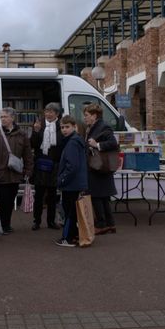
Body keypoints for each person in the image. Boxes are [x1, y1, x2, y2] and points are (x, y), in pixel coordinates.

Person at [0, 107, 34, 234]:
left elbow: (27, 154)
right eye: (1, 117)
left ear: (12, 118)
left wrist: (28, 171)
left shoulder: (22, 134)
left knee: (11, 200)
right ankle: (2, 225)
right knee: (2, 201)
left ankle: (7, 224)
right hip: (0, 174)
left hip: (16, 174)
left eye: (5, 117)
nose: (2, 119)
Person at [83, 103, 119, 235]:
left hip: (99, 167)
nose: (84, 118)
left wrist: (97, 144)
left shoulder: (103, 126)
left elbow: (113, 143)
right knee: (103, 197)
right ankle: (110, 224)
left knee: (97, 196)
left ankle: (102, 224)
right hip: (98, 167)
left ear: (94, 115)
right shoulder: (93, 127)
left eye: (86, 115)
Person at [30, 102, 65, 230]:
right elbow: (33, 144)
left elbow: (63, 144)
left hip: (55, 165)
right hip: (41, 164)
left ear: (57, 114)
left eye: (51, 112)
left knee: (52, 196)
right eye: (46, 111)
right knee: (38, 196)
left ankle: (51, 221)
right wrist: (35, 131)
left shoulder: (61, 126)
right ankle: (36, 221)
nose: (48, 114)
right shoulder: (40, 124)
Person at [55, 116, 88, 247]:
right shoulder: (75, 141)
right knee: (73, 212)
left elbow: (72, 166)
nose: (64, 130)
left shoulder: (72, 142)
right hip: (76, 183)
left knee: (69, 213)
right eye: (62, 127)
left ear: (74, 127)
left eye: (67, 127)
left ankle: (67, 238)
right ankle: (74, 235)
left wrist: (62, 179)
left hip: (71, 184)